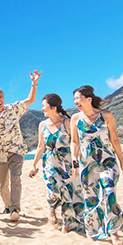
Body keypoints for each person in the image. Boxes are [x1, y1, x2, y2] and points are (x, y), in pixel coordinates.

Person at [70, 85, 123, 245]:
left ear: (89, 99)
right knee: (91, 197)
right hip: (87, 165)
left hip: (108, 162)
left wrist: (122, 162)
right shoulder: (75, 118)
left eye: (78, 98)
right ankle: (92, 231)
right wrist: (74, 161)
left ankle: (113, 232)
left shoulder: (106, 115)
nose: (75, 102)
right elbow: (74, 142)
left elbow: (114, 139)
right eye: (74, 99)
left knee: (109, 193)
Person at [0, 70, 42, 222]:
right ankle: (8, 206)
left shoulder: (13, 108)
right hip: (0, 154)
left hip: (16, 150)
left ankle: (15, 209)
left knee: (16, 179)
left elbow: (31, 99)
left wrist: (34, 83)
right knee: (2, 185)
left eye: (1, 97)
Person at [28, 94, 84, 233]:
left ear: (53, 107)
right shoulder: (42, 125)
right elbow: (40, 147)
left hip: (67, 163)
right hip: (50, 163)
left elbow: (75, 143)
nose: (42, 109)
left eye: (44, 106)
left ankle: (66, 223)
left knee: (68, 193)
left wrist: (76, 162)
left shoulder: (68, 123)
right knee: (53, 192)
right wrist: (33, 165)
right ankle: (52, 209)